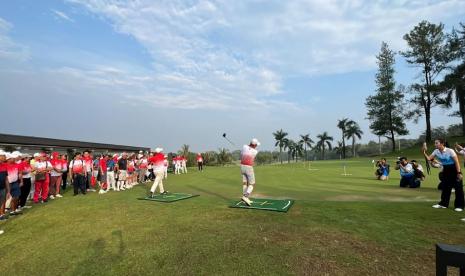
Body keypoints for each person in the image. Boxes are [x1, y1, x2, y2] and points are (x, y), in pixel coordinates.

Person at [423, 139, 464, 211]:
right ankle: (443, 204)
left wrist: (459, 173)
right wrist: (424, 152)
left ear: (442, 144)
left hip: (454, 169)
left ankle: (459, 206)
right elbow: (429, 159)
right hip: (446, 170)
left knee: (458, 188)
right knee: (445, 187)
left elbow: (457, 162)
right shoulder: (436, 151)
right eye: (435, 143)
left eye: (436, 143)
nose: (435, 144)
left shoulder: (450, 151)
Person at [240, 138, 260, 206]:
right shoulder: (255, 151)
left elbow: (241, 154)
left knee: (244, 183)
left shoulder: (244, 146)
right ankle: (245, 196)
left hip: (242, 166)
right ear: (254, 145)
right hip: (248, 167)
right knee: (252, 184)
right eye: (256, 145)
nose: (256, 146)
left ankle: (245, 198)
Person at [0, 150, 10, 223]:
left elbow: (6, 179)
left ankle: (1, 215)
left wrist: (8, 190)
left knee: (2, 201)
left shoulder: (4, 165)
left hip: (3, 188)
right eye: (4, 156)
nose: (5, 157)